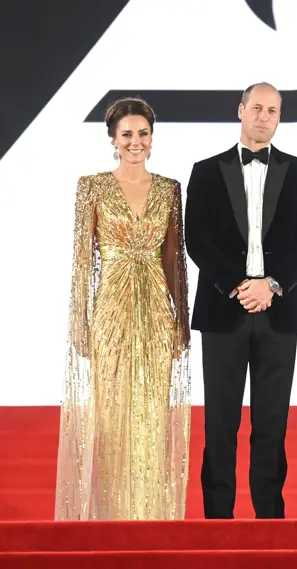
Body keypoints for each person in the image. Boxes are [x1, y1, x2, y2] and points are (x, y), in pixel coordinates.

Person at [185, 82, 297, 519]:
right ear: (240, 110)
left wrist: (272, 284)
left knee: (271, 425)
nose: (264, 116)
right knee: (219, 425)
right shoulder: (206, 170)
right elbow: (197, 237)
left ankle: (270, 520)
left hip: (279, 313)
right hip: (223, 311)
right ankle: (217, 521)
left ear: (279, 118)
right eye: (257, 108)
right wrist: (239, 285)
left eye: (273, 110)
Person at [55, 97, 191, 520]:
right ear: (113, 139)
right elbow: (81, 262)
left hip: (155, 313)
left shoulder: (170, 189)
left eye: (143, 133)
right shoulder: (90, 187)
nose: (136, 142)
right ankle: (114, 519)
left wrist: (181, 322)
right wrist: (80, 322)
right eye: (127, 134)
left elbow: (174, 260)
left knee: (151, 419)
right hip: (110, 312)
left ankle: (151, 517)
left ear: (152, 138)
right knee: (112, 421)